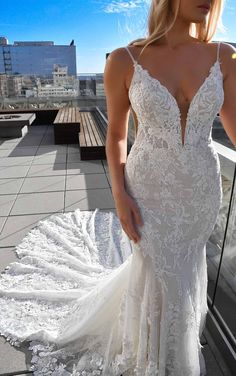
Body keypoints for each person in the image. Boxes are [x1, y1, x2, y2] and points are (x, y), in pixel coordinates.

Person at [0, 0, 236, 375]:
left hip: (200, 192)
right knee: (157, 270)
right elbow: (115, 135)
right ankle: (154, 356)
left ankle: (172, 353)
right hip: (148, 190)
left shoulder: (225, 57)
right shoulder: (125, 60)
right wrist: (120, 195)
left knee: (184, 272)